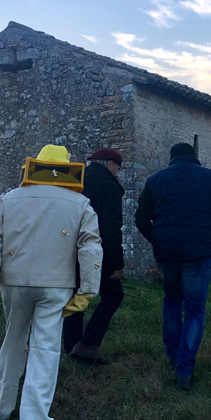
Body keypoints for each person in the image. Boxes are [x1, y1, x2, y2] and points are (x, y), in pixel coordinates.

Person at [0, 145, 103, 420]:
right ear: (68, 168)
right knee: (45, 353)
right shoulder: (81, 203)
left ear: (35, 166)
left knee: (13, 338)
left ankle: (3, 409)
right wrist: (87, 291)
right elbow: (91, 247)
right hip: (57, 286)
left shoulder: (8, 199)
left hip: (14, 283)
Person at [135, 143, 211, 390]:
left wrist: (157, 240)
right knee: (194, 309)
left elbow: (140, 217)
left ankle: (173, 358)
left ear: (171, 159)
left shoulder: (154, 180)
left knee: (171, 301)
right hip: (199, 254)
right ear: (195, 157)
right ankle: (184, 370)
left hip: (167, 254)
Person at [63, 148, 125, 365]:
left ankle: (71, 347)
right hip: (97, 252)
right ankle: (88, 344)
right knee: (113, 295)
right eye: (118, 169)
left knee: (75, 295)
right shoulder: (109, 187)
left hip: (68, 250)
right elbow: (111, 228)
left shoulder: (72, 184)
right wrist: (117, 264)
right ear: (109, 165)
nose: (118, 174)